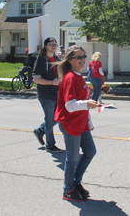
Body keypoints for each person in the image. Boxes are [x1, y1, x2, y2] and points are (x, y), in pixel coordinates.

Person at [54, 45, 99, 202]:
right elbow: (70, 105)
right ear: (70, 60)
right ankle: (68, 190)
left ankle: (75, 182)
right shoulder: (70, 78)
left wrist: (89, 121)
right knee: (72, 158)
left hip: (81, 123)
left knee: (90, 151)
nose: (82, 59)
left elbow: (83, 104)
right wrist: (87, 103)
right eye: (78, 57)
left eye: (83, 56)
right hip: (70, 123)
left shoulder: (79, 76)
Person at [32, 37, 63, 153]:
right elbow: (36, 79)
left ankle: (39, 131)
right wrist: (51, 82)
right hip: (45, 94)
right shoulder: (41, 60)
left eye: (55, 44)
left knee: (56, 118)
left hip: (57, 93)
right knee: (50, 119)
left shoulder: (56, 58)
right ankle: (50, 145)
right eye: (50, 44)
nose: (53, 46)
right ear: (45, 46)